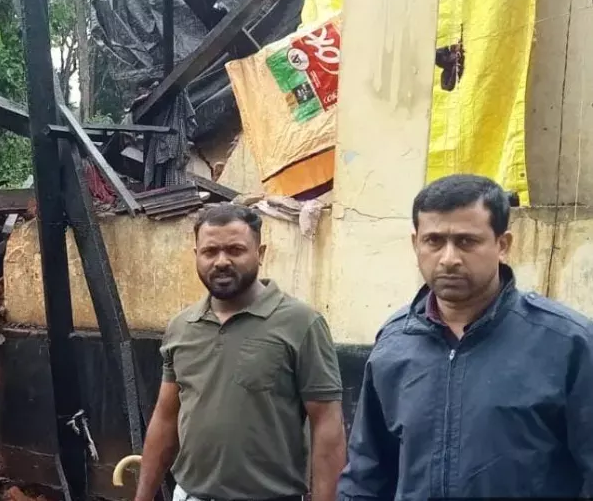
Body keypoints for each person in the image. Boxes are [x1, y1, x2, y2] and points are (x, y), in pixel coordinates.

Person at [337, 174, 593, 500]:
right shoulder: (395, 342)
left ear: (503, 245)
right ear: (415, 244)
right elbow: (366, 475)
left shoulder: (566, 343)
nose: (449, 259)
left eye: (466, 241)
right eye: (434, 241)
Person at [134, 203, 347, 501]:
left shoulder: (301, 324)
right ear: (196, 255)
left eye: (235, 250)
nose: (221, 261)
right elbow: (166, 418)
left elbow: (327, 425)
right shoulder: (181, 327)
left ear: (260, 253)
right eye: (210, 251)